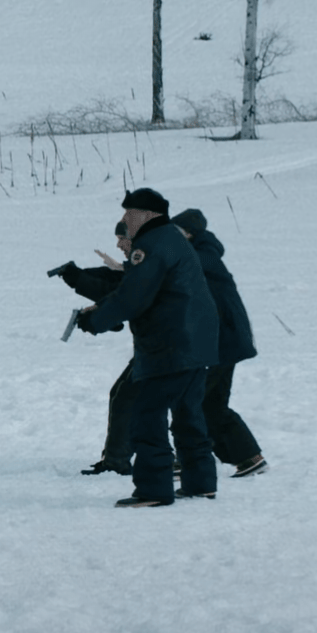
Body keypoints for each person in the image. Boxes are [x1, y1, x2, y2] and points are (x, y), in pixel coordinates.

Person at [77, 189, 220, 507]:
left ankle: (153, 490)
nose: (125, 220)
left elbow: (134, 297)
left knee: (147, 415)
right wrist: (103, 308)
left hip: (169, 346)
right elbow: (141, 290)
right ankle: (200, 484)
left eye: (129, 214)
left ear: (146, 215)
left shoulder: (150, 245)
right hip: (197, 343)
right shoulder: (171, 239)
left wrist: (95, 320)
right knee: (188, 416)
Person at [171, 208, 267, 478]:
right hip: (222, 343)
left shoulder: (204, 255)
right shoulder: (199, 254)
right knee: (211, 404)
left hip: (220, 343)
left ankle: (190, 459)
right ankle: (249, 458)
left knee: (191, 401)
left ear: (190, 234)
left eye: (176, 233)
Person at [54, 222, 136, 476]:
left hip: (173, 346)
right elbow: (116, 281)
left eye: (122, 238)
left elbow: (124, 294)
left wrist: (99, 318)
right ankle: (120, 460)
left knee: (131, 398)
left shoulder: (152, 261)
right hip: (167, 345)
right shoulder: (144, 262)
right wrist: (78, 277)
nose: (118, 245)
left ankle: (175, 460)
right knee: (128, 397)